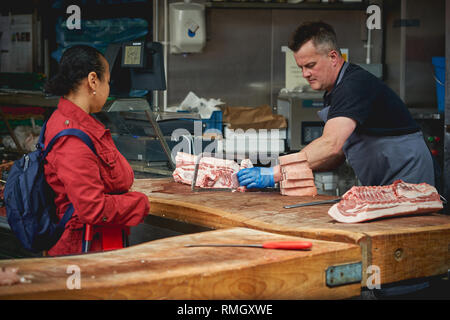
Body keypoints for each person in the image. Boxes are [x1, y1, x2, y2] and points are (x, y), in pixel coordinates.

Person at [238, 21, 435, 190]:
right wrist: (295, 170)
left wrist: (274, 172)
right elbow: (337, 156)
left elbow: (330, 145)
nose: (305, 74)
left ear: (333, 57)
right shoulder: (333, 91)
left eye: (311, 65)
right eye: (301, 68)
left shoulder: (353, 85)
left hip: (408, 180)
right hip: (383, 182)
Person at [43, 45, 150, 256]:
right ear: (93, 80)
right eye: (107, 82)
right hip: (82, 250)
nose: (108, 88)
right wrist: (140, 202)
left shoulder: (81, 124)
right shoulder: (71, 136)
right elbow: (93, 208)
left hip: (99, 242)